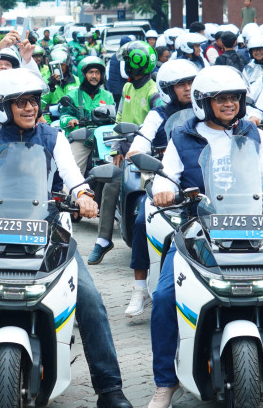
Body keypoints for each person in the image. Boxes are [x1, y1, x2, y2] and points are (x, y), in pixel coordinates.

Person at [0, 69, 135, 408]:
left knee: (89, 299)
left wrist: (84, 196)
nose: (30, 108)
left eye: (34, 101)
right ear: (2, 106)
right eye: (21, 102)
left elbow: (73, 179)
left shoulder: (52, 137)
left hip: (49, 228)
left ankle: (108, 386)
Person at [146, 65, 263, 408]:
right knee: (164, 296)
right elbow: (164, 177)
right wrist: (164, 191)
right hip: (197, 231)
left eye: (234, 97)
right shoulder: (182, 136)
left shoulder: (253, 133)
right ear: (204, 102)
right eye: (221, 98)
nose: (229, 103)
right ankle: (165, 382)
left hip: (256, 227)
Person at [122, 59, 198, 317]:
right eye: (181, 85)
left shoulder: (206, 111)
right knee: (143, 220)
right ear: (168, 88)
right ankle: (140, 287)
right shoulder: (159, 114)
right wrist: (137, 150)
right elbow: (143, 138)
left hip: (201, 180)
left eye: (191, 83)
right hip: (166, 180)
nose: (188, 89)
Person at [88, 41, 158, 265]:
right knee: (110, 186)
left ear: (135, 64)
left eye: (127, 60)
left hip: (148, 154)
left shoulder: (154, 92)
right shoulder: (128, 88)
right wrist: (116, 149)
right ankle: (103, 240)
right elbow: (119, 119)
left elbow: (157, 125)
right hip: (124, 151)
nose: (124, 64)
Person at [60, 56, 116, 172]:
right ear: (83, 74)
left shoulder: (108, 96)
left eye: (97, 73)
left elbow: (115, 117)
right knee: (72, 171)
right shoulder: (73, 95)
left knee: (117, 169)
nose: (94, 76)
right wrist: (71, 121)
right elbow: (63, 117)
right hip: (81, 139)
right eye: (91, 72)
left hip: (104, 139)